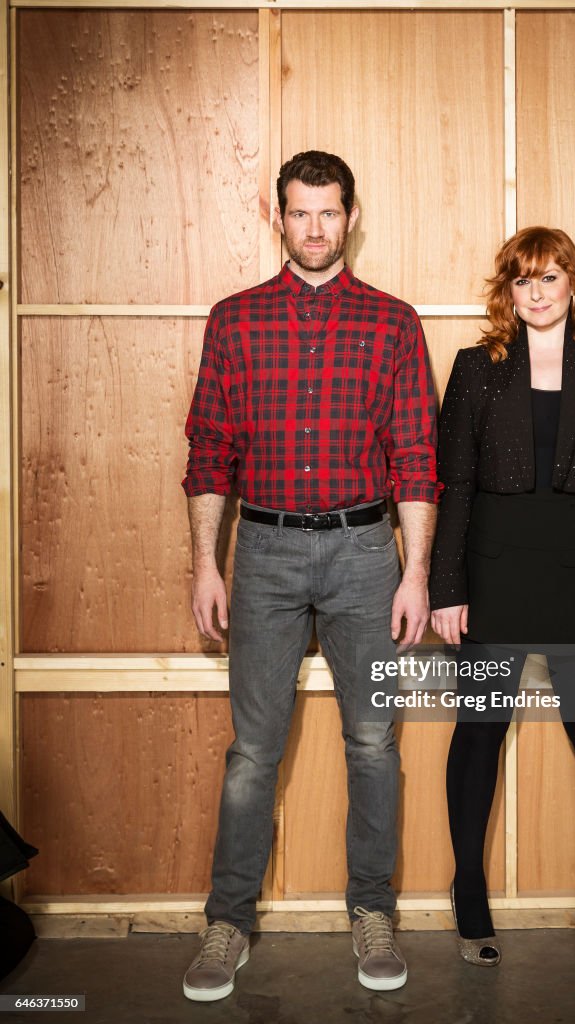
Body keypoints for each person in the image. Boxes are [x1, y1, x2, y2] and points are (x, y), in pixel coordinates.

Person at [181, 150, 439, 1000]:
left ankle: (373, 912)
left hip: (368, 556)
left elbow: (415, 459)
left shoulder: (394, 323)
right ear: (279, 218)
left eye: (330, 212)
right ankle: (228, 923)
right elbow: (209, 453)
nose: (316, 228)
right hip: (264, 555)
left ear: (351, 216)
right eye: (300, 213)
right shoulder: (236, 320)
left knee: (372, 743)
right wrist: (205, 567)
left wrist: (416, 575)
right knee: (254, 751)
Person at [429, 226, 575, 969]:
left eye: (550, 278)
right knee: (479, 734)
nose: (537, 293)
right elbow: (452, 485)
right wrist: (447, 588)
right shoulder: (474, 369)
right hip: (494, 580)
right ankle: (469, 896)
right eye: (523, 281)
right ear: (508, 292)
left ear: (574, 286)